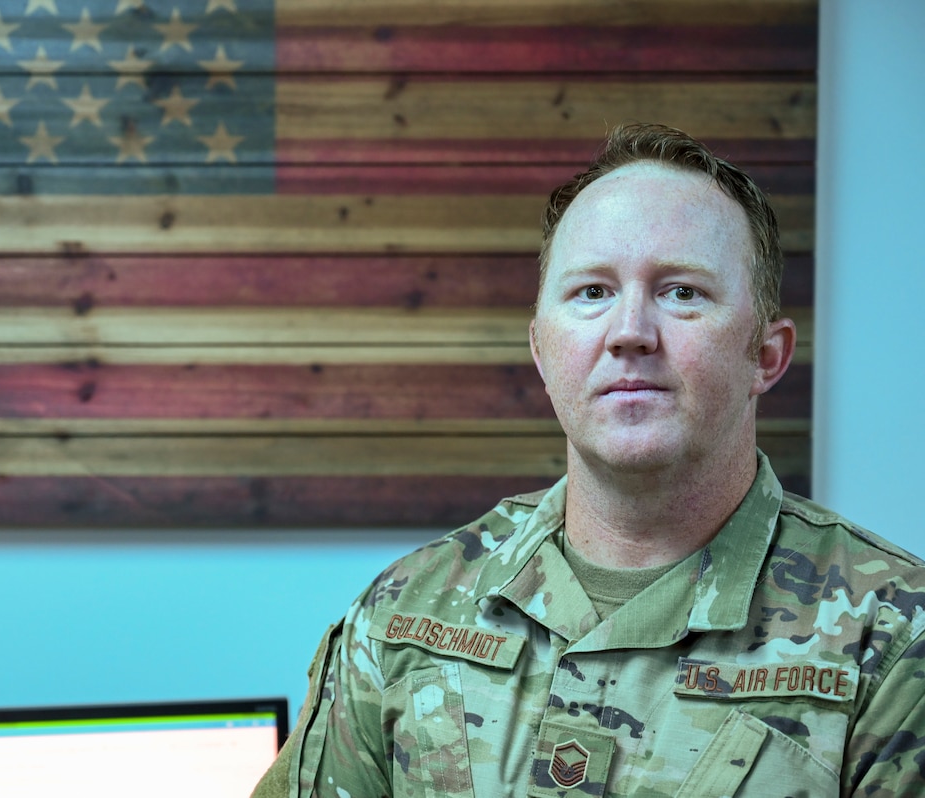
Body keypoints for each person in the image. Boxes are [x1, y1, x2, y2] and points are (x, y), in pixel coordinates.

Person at [252, 123, 925, 797]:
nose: (630, 332)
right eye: (592, 292)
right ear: (543, 351)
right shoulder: (403, 619)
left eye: (682, 291)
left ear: (766, 355)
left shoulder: (892, 642)